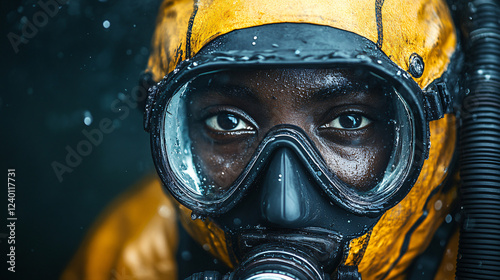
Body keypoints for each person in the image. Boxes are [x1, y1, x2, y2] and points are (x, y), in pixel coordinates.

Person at [61, 0, 500, 279]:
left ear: (437, 132)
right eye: (228, 123)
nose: (282, 206)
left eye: (349, 121)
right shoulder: (132, 257)